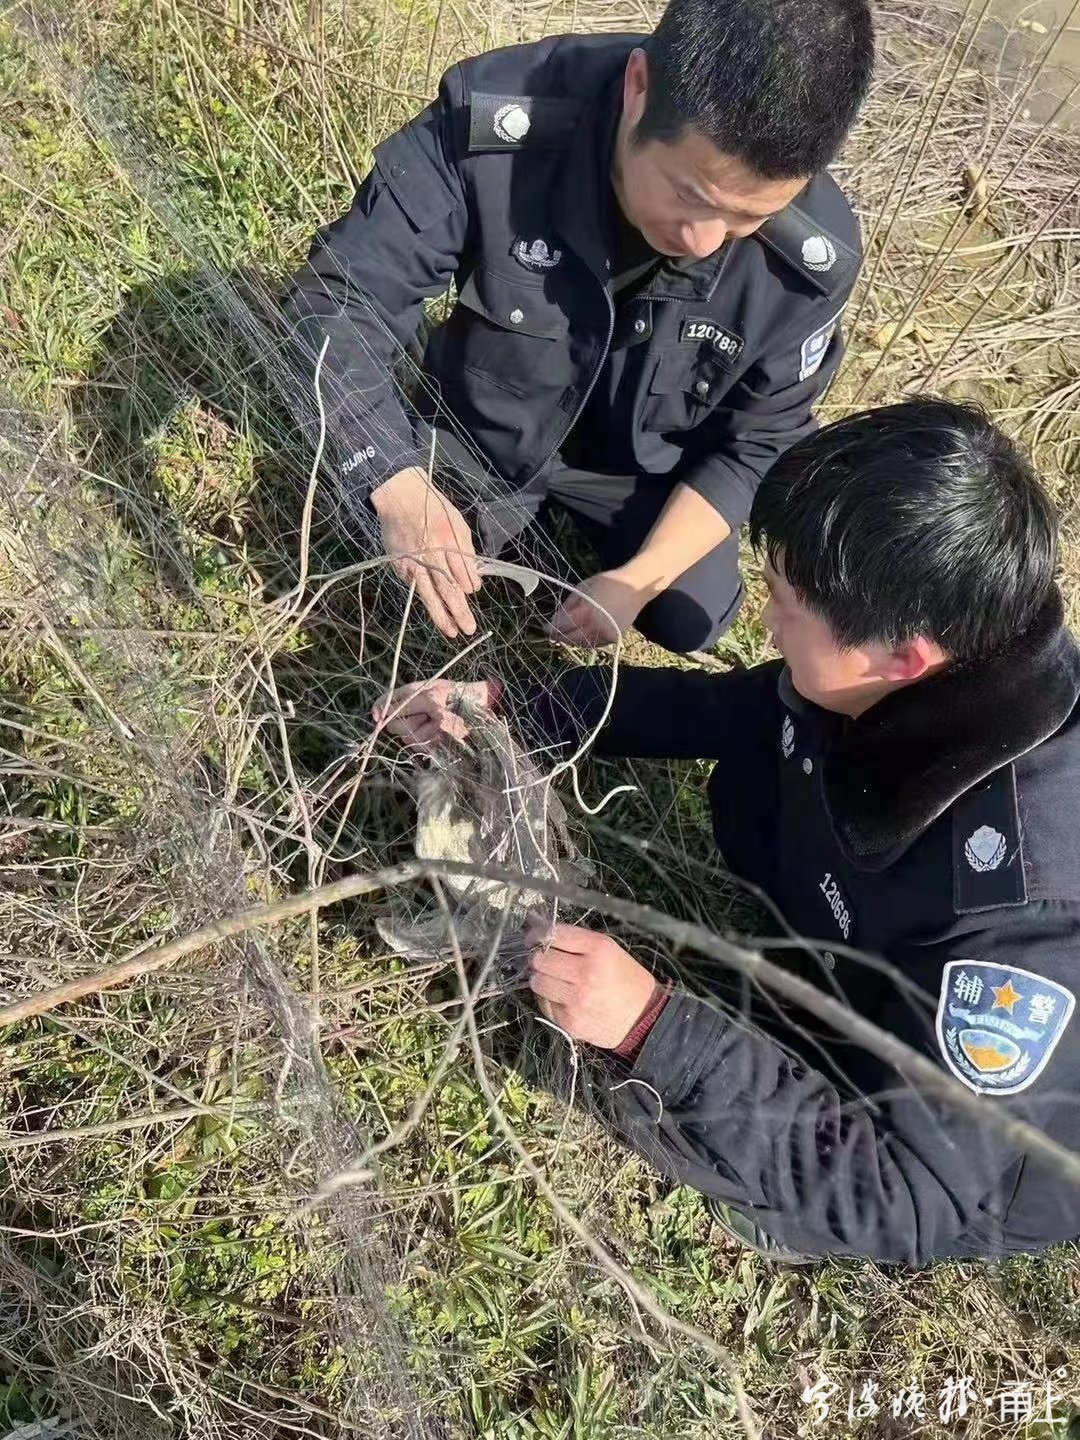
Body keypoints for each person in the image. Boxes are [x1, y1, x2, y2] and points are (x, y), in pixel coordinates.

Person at [374, 399, 1080, 1265]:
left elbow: (908, 1195)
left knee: (722, 1142)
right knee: (764, 757)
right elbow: (736, 709)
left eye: (784, 604)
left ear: (903, 657)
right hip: (858, 950)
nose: (764, 623)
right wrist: (516, 712)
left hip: (962, 1174)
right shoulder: (937, 664)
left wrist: (654, 1028)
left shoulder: (1015, 914)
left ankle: (785, 1196)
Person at [283, 0, 874, 653]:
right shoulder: (499, 123)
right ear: (639, 88)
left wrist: (638, 579)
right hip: (481, 427)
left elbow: (760, 440)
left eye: (746, 219)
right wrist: (393, 477)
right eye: (691, 196)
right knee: (367, 532)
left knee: (689, 615)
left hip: (635, 474)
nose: (704, 242)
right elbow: (342, 295)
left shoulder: (812, 260)